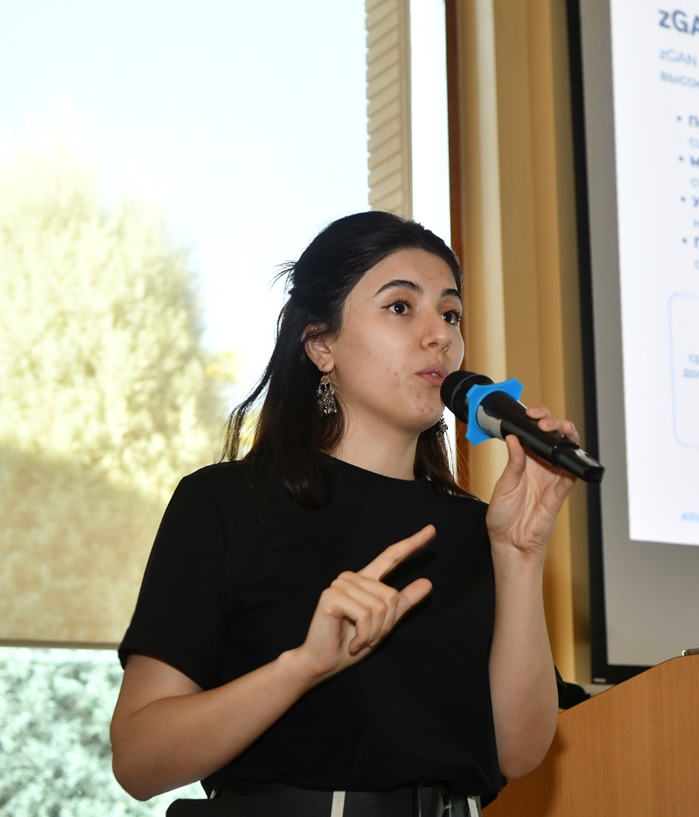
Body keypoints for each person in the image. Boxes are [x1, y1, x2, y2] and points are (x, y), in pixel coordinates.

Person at [110, 211, 579, 816]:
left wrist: (520, 553)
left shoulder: (481, 530)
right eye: (400, 307)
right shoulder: (225, 504)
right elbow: (139, 759)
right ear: (321, 344)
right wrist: (304, 667)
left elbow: (518, 753)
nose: (439, 336)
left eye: (450, 314)